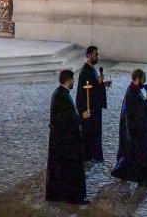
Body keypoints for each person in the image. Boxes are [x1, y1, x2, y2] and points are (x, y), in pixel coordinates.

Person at [46, 68, 89, 205]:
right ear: (68, 80)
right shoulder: (62, 96)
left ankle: (61, 193)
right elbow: (67, 120)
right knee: (70, 168)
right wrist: (82, 116)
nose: (74, 82)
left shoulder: (60, 93)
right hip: (66, 140)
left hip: (61, 138)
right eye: (73, 80)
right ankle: (73, 196)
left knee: (61, 168)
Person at [75, 46, 110, 162]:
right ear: (89, 55)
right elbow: (85, 91)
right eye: (96, 55)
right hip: (89, 107)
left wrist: (102, 84)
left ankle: (94, 154)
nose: (98, 57)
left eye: (98, 55)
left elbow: (93, 86)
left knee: (95, 131)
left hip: (95, 106)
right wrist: (99, 84)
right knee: (89, 132)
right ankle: (88, 155)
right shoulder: (85, 71)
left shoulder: (91, 69)